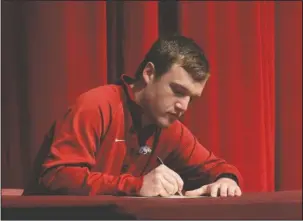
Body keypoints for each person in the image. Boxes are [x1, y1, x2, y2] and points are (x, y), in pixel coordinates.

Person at [24, 35, 243, 198]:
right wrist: (137, 186)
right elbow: (57, 175)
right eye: (178, 91)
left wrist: (226, 180)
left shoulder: (171, 128)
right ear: (149, 73)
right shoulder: (97, 105)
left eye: (192, 98)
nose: (183, 106)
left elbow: (218, 167)